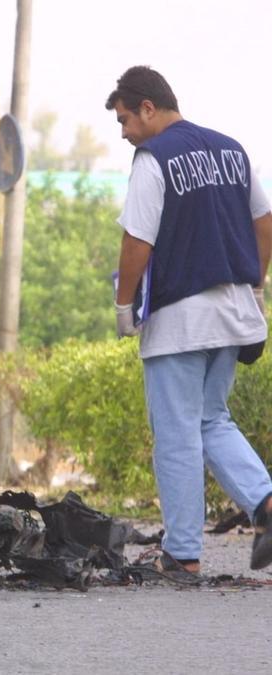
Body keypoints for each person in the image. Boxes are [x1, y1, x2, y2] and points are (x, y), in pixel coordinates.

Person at [106, 65, 272, 573]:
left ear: (149, 108)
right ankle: (266, 503)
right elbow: (265, 223)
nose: (124, 132)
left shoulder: (153, 158)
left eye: (125, 119)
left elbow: (138, 239)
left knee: (177, 433)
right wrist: (256, 283)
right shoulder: (232, 150)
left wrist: (123, 305)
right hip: (234, 310)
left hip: (180, 318)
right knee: (211, 420)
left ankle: (181, 554)